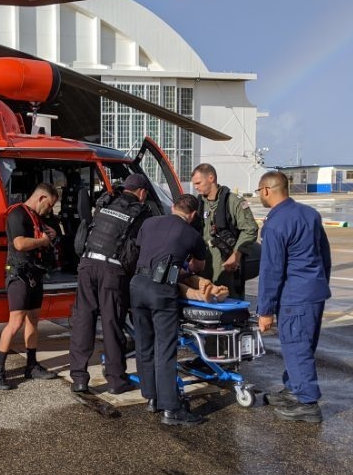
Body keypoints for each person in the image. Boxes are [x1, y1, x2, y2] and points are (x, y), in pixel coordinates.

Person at [256, 170, 331, 423]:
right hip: (313, 293)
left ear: (266, 190)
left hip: (295, 296)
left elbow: (271, 270)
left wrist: (265, 310)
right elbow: (325, 256)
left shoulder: (275, 224)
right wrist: (318, 285)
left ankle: (308, 403)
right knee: (303, 344)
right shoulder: (310, 214)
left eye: (259, 192)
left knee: (296, 346)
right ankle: (294, 389)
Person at [68, 173, 152, 394]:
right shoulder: (141, 213)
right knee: (111, 324)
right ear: (142, 193)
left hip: (87, 265)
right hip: (112, 271)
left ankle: (79, 378)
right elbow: (138, 247)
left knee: (83, 322)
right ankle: (115, 381)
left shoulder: (106, 201)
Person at [129, 194, 208, 426]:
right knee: (165, 348)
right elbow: (197, 267)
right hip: (161, 290)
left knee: (144, 344)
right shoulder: (192, 234)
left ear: (173, 207)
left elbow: (142, 247)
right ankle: (171, 409)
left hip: (137, 285)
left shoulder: (149, 223)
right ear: (192, 215)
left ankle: (152, 398)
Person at [0, 182, 61, 390]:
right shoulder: (17, 215)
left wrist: (52, 236)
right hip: (19, 274)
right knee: (15, 322)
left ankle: (31, 365)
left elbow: (46, 235)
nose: (49, 210)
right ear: (41, 198)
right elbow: (20, 243)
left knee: (34, 319)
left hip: (34, 273)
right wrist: (43, 241)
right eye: (49, 205)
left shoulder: (37, 217)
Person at [191, 163, 259, 298]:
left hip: (226, 263)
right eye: (194, 184)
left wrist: (237, 254)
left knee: (229, 300)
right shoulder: (199, 204)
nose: (196, 187)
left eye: (198, 183)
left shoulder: (233, 202)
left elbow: (250, 228)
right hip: (203, 264)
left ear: (211, 178)